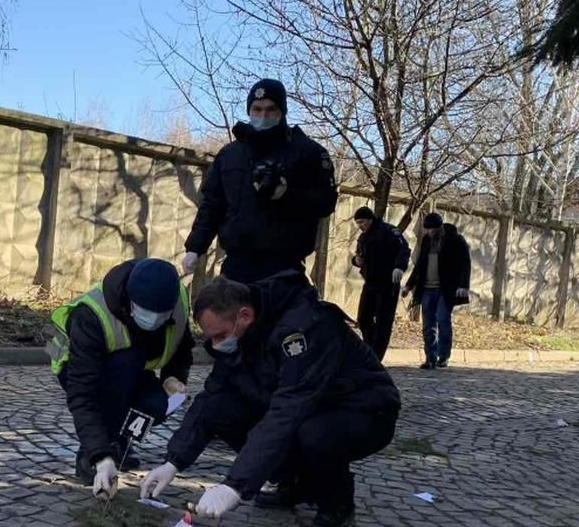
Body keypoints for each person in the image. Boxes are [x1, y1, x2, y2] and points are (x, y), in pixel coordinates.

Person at [138, 273, 400, 527]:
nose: (216, 345)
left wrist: (235, 486)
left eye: (220, 335)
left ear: (245, 316)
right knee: (221, 407)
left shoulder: (303, 329)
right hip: (308, 406)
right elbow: (211, 397)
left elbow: (287, 412)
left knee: (313, 435)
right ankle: (294, 482)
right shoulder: (241, 335)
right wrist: (173, 461)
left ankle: (336, 502)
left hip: (364, 409)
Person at [45, 258, 195, 498]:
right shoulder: (92, 315)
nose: (155, 320)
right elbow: (82, 394)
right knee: (127, 363)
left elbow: (182, 348)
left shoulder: (176, 303)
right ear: (130, 301)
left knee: (159, 404)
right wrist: (100, 455)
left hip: (133, 373)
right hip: (78, 370)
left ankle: (121, 441)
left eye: (161, 315)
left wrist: (174, 378)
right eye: (147, 313)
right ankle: (93, 454)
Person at [180, 78, 339, 283]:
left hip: (284, 270)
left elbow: (326, 202)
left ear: (282, 111)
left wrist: (287, 193)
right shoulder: (230, 155)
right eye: (257, 109)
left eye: (271, 109)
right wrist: (195, 247)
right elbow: (212, 205)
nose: (263, 116)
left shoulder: (307, 152)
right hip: (236, 267)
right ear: (249, 111)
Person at [401, 213, 472, 369]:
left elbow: (464, 264)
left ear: (439, 227)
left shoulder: (455, 240)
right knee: (428, 324)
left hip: (445, 289)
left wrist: (463, 286)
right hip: (427, 288)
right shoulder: (426, 240)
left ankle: (443, 356)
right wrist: (408, 285)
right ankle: (430, 358)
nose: (429, 232)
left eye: (432, 229)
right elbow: (419, 265)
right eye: (427, 229)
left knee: (442, 318)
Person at [351, 206, 410, 362]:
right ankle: (370, 349)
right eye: (358, 223)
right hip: (370, 282)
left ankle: (377, 356)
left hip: (388, 283)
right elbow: (359, 255)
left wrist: (399, 267)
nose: (360, 226)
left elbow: (404, 250)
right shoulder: (363, 237)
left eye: (362, 222)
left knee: (383, 321)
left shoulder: (389, 231)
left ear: (370, 219)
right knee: (363, 318)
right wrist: (356, 261)